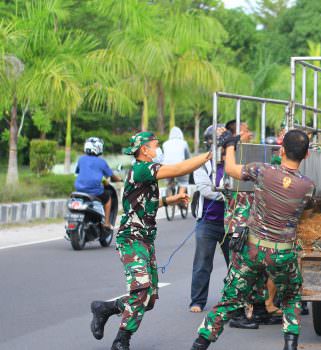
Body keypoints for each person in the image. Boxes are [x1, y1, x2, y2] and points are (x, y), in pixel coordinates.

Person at [191, 129, 315, 350]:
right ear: (307, 156)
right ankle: (290, 345)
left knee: (230, 300)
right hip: (283, 253)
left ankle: (200, 344)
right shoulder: (308, 187)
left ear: (281, 150)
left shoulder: (262, 171)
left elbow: (229, 169)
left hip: (253, 251)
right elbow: (307, 210)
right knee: (291, 297)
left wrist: (229, 145)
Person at [89, 131, 212, 350]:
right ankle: (121, 340)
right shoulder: (142, 168)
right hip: (131, 238)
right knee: (142, 292)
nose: (157, 150)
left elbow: (143, 203)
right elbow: (178, 169)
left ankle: (106, 308)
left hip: (144, 239)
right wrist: (207, 156)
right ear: (144, 149)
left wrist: (169, 199)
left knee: (150, 299)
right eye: (155, 146)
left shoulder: (143, 172)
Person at [189, 124, 253, 314]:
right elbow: (206, 189)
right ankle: (197, 301)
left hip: (231, 223)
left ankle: (235, 300)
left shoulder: (234, 161)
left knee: (235, 264)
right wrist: (229, 193)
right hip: (208, 223)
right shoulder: (202, 164)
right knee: (202, 263)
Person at [75, 137, 121, 229]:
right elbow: (111, 176)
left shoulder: (81, 159)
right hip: (94, 190)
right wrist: (119, 179)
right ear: (98, 148)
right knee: (108, 198)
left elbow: (79, 172)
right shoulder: (101, 162)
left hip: (79, 189)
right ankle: (107, 223)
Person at [162, 126, 191, 196]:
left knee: (168, 182)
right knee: (183, 182)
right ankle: (180, 198)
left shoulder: (165, 144)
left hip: (166, 167)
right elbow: (188, 157)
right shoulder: (184, 143)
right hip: (179, 166)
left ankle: (169, 198)